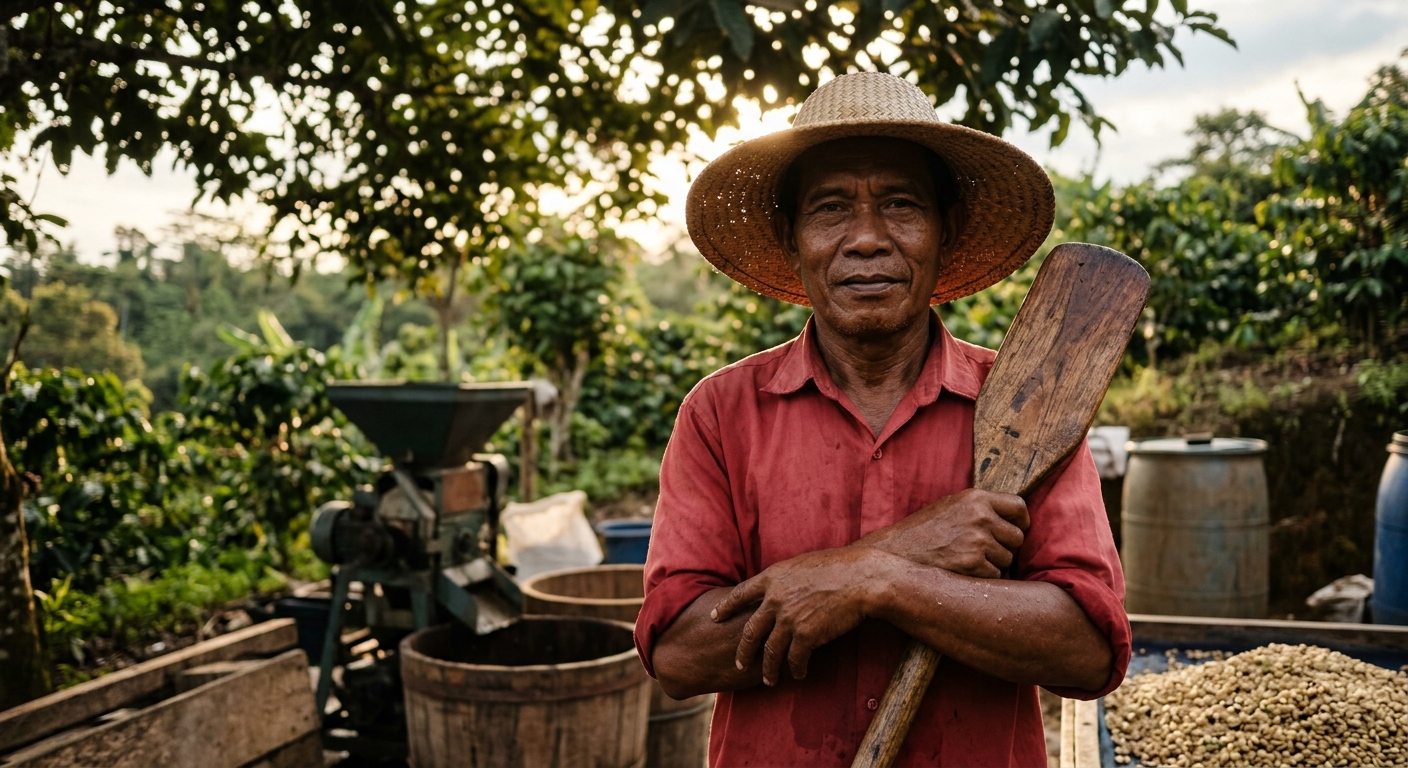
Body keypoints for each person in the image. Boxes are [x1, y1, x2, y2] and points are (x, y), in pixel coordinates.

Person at [632, 72, 1130, 768]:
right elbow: (681, 654)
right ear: (791, 236)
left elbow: (1087, 648)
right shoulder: (721, 414)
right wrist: (896, 551)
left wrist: (876, 582)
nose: (866, 238)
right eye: (831, 208)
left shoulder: (1028, 405)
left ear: (945, 231)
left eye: (900, 204)